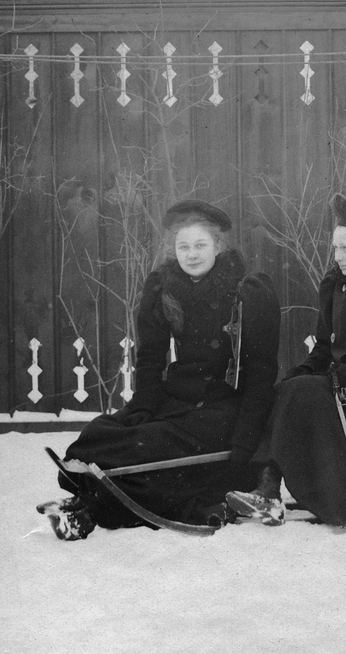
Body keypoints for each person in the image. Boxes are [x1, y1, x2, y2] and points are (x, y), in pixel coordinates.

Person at [38, 200, 280, 539]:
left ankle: (89, 510)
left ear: (218, 246)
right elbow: (151, 356)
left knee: (147, 449)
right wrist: (144, 406)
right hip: (178, 397)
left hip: (223, 409)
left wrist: (245, 443)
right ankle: (91, 497)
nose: (191, 255)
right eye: (184, 247)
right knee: (100, 434)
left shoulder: (247, 292)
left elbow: (261, 375)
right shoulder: (164, 288)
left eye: (200, 245)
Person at [226, 194, 346, 527]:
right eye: (335, 248)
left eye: (345, 248)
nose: (337, 256)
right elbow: (324, 348)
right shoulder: (336, 287)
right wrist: (302, 371)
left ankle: (271, 491)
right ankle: (267, 489)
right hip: (344, 391)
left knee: (301, 392)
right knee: (289, 388)